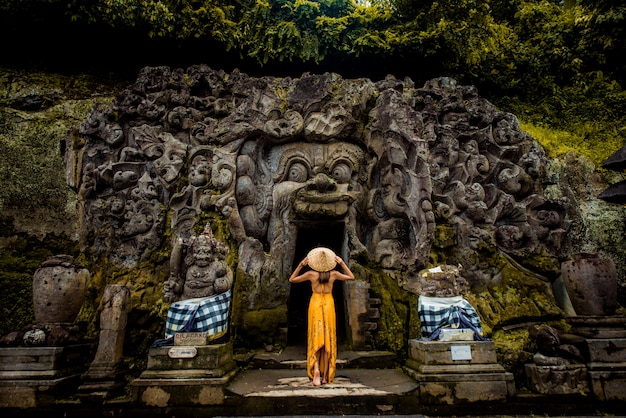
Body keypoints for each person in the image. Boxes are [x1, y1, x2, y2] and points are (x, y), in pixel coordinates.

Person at [289, 247, 355, 386]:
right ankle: (326, 376)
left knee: (316, 337)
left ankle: (317, 369)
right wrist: (342, 263)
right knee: (327, 338)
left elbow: (292, 279)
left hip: (315, 305)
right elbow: (351, 277)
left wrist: (301, 265)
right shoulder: (334, 274)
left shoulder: (311, 275)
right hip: (329, 305)